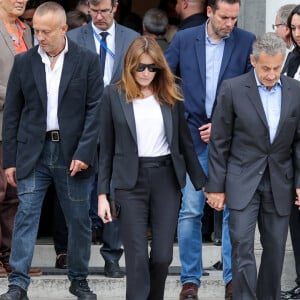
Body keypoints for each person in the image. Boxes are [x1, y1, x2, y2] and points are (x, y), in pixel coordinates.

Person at [0, 2, 103, 300]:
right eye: (36, 31)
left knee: (79, 220)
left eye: (46, 31)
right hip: (34, 152)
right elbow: (13, 114)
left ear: (63, 29)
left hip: (73, 154)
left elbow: (95, 110)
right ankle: (18, 283)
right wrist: (10, 160)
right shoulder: (24, 62)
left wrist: (84, 152)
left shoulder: (87, 60)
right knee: (25, 216)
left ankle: (79, 279)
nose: (40, 37)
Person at [97, 35, 206, 300]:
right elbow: (106, 149)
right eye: (140, 67)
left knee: (162, 256)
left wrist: (205, 185)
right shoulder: (113, 94)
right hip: (128, 183)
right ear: (129, 66)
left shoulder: (171, 93)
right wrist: (102, 194)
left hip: (166, 179)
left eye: (152, 67)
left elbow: (185, 143)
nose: (146, 73)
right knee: (135, 258)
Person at [165, 0, 256, 299]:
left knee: (233, 210)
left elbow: (252, 91)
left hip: (232, 142)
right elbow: (164, 77)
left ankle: (233, 280)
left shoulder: (246, 42)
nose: (230, 23)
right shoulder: (182, 39)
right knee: (190, 210)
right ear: (209, 12)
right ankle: (190, 280)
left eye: (234, 17)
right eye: (225, 17)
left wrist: (223, 123)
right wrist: (175, 121)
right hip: (192, 140)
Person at [205, 31, 300, 300]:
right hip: (241, 180)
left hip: (280, 181)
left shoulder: (295, 90)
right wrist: (215, 186)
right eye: (266, 68)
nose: (272, 74)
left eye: (277, 68)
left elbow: (299, 141)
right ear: (253, 61)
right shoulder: (233, 88)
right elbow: (219, 141)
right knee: (241, 245)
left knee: (275, 248)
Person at [67, 0, 139, 278]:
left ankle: (112, 256)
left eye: (104, 11)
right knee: (80, 192)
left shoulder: (132, 39)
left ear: (115, 7)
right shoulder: (73, 38)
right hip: (80, 126)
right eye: (93, 11)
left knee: (115, 190)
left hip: (120, 124)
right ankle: (80, 259)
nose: (98, 16)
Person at [0, 0, 42, 278]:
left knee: (15, 195)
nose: (21, 0)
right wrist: (17, 95)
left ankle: (10, 258)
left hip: (22, 128)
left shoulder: (26, 30)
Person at [281, 6, 300, 300]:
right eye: (294, 28)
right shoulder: (291, 58)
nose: (297, 34)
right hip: (289, 152)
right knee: (296, 224)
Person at [273, 4, 296, 73]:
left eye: (277, 26)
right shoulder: (290, 54)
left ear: (286, 28)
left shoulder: (295, 55)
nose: (275, 32)